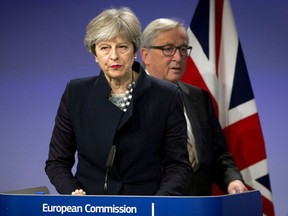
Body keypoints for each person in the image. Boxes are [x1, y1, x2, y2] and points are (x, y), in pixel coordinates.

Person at [45, 8, 191, 196]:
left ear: (135, 51)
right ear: (95, 54)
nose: (114, 56)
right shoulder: (76, 93)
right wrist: (74, 193)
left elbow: (178, 165)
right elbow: (56, 162)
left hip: (146, 206)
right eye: (105, 48)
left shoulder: (166, 95)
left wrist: (158, 204)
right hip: (92, 207)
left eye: (122, 47)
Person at [140, 18, 248, 195]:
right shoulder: (131, 99)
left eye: (183, 49)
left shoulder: (198, 98)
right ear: (145, 55)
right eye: (168, 49)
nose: (178, 57)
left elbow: (219, 154)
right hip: (154, 205)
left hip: (199, 206)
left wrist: (232, 180)